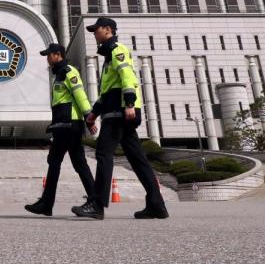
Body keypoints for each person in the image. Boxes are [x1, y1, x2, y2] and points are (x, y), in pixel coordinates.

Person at [72, 17, 168, 220]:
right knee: (138, 159)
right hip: (115, 111)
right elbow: (107, 92)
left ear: (108, 30)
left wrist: (130, 104)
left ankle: (97, 205)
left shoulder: (118, 50)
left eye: (96, 30)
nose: (94, 35)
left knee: (103, 153)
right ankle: (157, 205)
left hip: (120, 113)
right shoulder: (108, 59)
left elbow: (128, 77)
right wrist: (93, 114)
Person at [25, 43, 97, 217]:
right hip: (63, 125)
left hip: (69, 125)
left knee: (57, 160)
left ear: (58, 55)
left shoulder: (68, 71)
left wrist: (89, 118)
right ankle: (95, 201)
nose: (47, 59)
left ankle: (47, 203)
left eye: (49, 55)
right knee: (76, 162)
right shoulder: (59, 74)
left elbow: (80, 94)